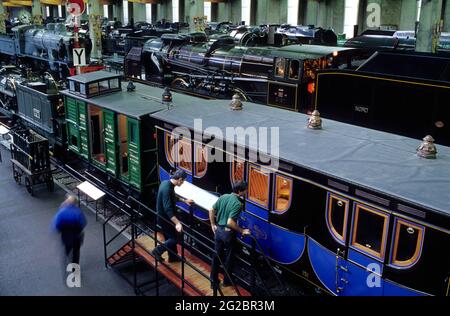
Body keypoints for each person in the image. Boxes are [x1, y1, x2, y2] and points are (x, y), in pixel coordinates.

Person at [209, 181, 250, 289]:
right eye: (245, 190)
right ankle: (227, 281)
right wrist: (242, 231)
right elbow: (230, 222)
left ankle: (213, 282)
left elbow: (211, 209)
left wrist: (213, 224)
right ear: (240, 191)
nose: (246, 192)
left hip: (218, 230)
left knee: (216, 256)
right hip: (227, 233)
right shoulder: (238, 204)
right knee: (229, 257)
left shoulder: (224, 196)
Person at [151, 170, 194, 263]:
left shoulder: (166, 183)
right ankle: (157, 251)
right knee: (176, 238)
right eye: (182, 181)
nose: (182, 183)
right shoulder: (167, 188)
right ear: (179, 179)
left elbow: (173, 197)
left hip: (164, 217)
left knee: (169, 237)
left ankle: (173, 256)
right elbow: (168, 208)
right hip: (165, 218)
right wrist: (177, 223)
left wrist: (184, 201)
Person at [52, 194, 87, 267]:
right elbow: (83, 223)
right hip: (76, 237)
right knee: (76, 253)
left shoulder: (62, 212)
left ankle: (68, 259)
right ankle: (75, 267)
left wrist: (59, 231)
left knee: (67, 249)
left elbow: (57, 224)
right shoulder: (78, 212)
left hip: (65, 236)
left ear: (67, 202)